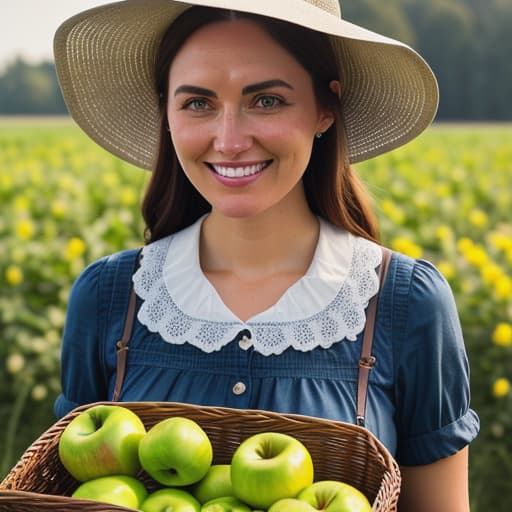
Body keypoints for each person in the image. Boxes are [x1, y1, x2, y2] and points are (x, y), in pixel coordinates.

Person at [52, 1, 479, 510]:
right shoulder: (108, 298)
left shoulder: (407, 304)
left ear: (326, 108)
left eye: (267, 101)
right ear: (165, 111)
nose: (230, 141)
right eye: (197, 103)